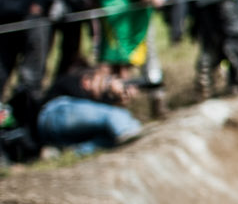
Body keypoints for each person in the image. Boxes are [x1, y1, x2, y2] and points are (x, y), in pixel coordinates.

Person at [10, 63, 143, 156]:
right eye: (104, 80)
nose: (106, 85)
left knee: (111, 134)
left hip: (54, 135)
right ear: (86, 81)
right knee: (115, 116)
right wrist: (108, 88)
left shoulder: (95, 103)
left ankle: (69, 152)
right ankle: (134, 138)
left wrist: (118, 98)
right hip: (54, 112)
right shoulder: (72, 81)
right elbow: (104, 114)